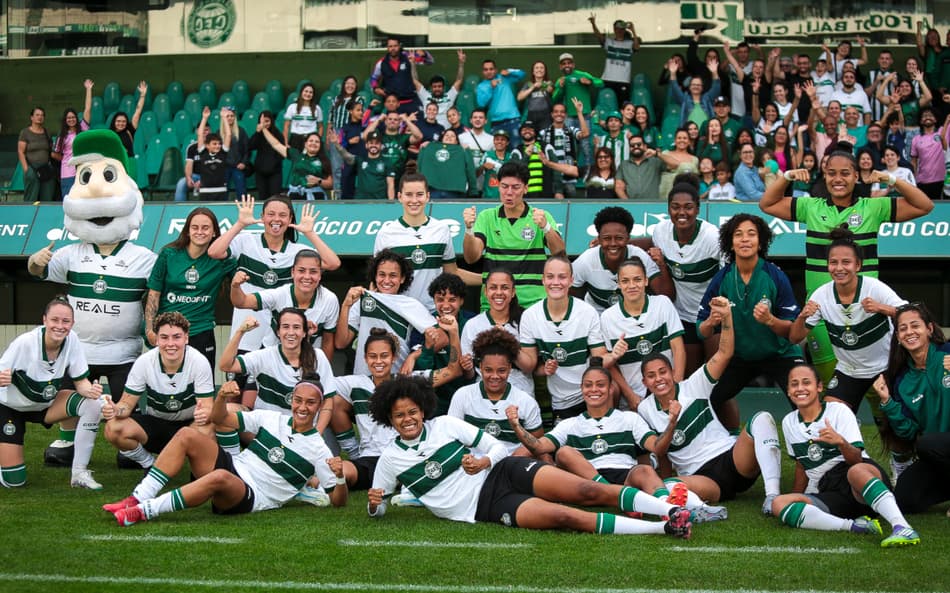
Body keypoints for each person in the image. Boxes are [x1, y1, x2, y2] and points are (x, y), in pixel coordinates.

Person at [367, 375, 692, 537]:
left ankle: (670, 509)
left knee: (589, 491)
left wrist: (484, 461)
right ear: (389, 419)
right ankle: (663, 528)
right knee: (565, 517)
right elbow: (379, 506)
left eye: (412, 411)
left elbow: (495, 447)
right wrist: (373, 504)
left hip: (504, 470)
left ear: (423, 410)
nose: (408, 419)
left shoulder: (446, 425)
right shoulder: (390, 459)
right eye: (399, 416)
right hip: (485, 506)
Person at [760, 150, 933, 416]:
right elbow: (767, 204)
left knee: (879, 386)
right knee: (834, 380)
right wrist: (788, 176)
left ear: (856, 176)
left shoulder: (873, 207)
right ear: (824, 176)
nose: (837, 179)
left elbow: (925, 206)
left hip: (867, 310)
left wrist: (892, 180)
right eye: (831, 173)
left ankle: (887, 427)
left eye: (844, 173)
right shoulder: (812, 207)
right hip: (822, 311)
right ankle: (843, 427)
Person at [26, 130, 156, 466]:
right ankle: (68, 441)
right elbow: (38, 270)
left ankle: (127, 444)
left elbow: (156, 295)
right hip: (79, 347)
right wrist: (34, 261)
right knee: (68, 394)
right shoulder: (71, 253)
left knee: (128, 399)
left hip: (123, 349)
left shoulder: (144, 257)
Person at [103, 377, 347, 526]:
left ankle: (143, 512)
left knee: (220, 477)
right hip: (234, 466)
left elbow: (338, 501)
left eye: (310, 403)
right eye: (298, 400)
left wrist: (340, 477)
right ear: (291, 400)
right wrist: (220, 397)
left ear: (319, 407)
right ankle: (137, 497)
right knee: (187, 435)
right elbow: (220, 418)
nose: (302, 407)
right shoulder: (271, 418)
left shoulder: (319, 449)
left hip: (252, 495)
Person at [507, 358, 727, 523]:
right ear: (582, 389)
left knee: (645, 471)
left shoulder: (629, 419)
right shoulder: (569, 424)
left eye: (600, 385)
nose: (595, 390)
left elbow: (657, 448)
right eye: (589, 385)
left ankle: (668, 509)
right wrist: (517, 426)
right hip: (589, 480)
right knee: (564, 452)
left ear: (610, 388)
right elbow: (538, 446)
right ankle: (617, 494)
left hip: (625, 475)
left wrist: (671, 423)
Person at [638, 295, 783, 512]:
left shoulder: (693, 385)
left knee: (762, 418)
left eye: (663, 372)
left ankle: (772, 496)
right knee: (665, 486)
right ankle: (704, 511)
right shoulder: (645, 409)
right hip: (701, 478)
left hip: (732, 460)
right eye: (651, 376)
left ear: (672, 373)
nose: (658, 379)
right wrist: (672, 422)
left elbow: (724, 353)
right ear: (644, 382)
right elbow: (661, 452)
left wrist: (726, 318)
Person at [771, 364, 920, 547]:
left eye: (806, 382)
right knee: (778, 504)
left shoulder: (838, 411)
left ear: (819, 387)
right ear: (788, 390)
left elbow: (856, 459)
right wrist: (797, 496)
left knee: (855, 471)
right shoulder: (788, 422)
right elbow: (801, 466)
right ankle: (854, 527)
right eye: (794, 384)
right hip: (829, 491)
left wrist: (841, 442)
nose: (800, 388)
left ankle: (902, 526)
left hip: (858, 480)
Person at [208, 196, 340, 393]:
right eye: (270, 214)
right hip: (247, 331)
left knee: (271, 391)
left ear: (290, 220)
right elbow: (214, 252)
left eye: (282, 215)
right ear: (262, 217)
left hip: (276, 337)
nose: (276, 219)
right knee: (235, 392)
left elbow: (332, 263)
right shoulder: (246, 241)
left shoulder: (299, 251)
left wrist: (310, 233)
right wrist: (240, 224)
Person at [696, 214, 804, 431]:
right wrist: (710, 321)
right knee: (706, 398)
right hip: (740, 357)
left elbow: (793, 332)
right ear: (730, 242)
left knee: (803, 399)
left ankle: (810, 449)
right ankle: (724, 444)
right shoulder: (722, 278)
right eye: (738, 235)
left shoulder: (774, 276)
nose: (745, 239)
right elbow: (702, 331)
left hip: (780, 354)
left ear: (761, 241)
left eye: (751, 234)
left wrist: (770, 320)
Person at [788, 228, 905, 417]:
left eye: (846, 262)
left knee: (896, 424)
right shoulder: (821, 295)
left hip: (886, 367)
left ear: (858, 265)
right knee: (831, 420)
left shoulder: (874, 288)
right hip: (849, 371)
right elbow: (794, 337)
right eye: (833, 263)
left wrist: (882, 308)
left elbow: (911, 314)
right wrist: (802, 317)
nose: (839, 268)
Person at [0, 297, 104, 489]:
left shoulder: (72, 339)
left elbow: (80, 382)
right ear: (45, 320)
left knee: (94, 404)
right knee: (14, 481)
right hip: (10, 408)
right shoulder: (25, 343)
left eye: (65, 321)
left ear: (72, 323)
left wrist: (92, 391)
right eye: (55, 320)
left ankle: (79, 473)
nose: (60, 326)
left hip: (46, 406)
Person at [102, 312, 215, 470]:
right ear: (156, 339)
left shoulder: (199, 361)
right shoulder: (144, 362)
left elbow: (208, 408)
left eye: (177, 337)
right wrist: (115, 410)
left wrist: (204, 413)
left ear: (186, 338)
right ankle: (149, 464)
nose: (170, 344)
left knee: (208, 428)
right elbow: (126, 405)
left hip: (188, 427)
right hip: (156, 425)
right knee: (113, 427)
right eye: (164, 337)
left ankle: (198, 471)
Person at [874, 302, 950, 514]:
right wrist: (887, 402)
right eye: (903, 328)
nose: (910, 332)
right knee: (905, 498)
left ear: (929, 329)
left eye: (915, 325)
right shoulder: (902, 380)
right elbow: (907, 431)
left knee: (928, 444)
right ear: (897, 337)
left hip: (936, 446)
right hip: (938, 451)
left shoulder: (948, 353)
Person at [518, 256, 613, 422]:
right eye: (550, 277)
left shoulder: (587, 312)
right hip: (561, 401)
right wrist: (545, 369)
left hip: (589, 392)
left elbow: (599, 358)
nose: (556, 282)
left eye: (562, 277)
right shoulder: (530, 316)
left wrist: (615, 355)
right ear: (543, 280)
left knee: (613, 390)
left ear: (571, 280)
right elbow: (531, 366)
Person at [463, 161, 565, 310]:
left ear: (525, 188)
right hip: (494, 304)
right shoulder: (487, 217)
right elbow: (471, 257)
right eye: (504, 186)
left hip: (533, 304)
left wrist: (545, 227)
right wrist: (468, 229)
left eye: (515, 187)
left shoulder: (541, 216)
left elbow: (560, 253)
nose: (509, 192)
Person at [145, 207, 236, 369]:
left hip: (201, 332)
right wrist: (150, 330)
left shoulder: (222, 260)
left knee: (201, 387)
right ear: (187, 231)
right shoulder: (169, 254)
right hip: (168, 332)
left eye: (205, 228)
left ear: (214, 232)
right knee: (165, 386)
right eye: (195, 227)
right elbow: (154, 294)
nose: (200, 232)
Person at [374, 173, 478, 310]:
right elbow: (377, 281)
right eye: (409, 194)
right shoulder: (386, 233)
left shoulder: (441, 229)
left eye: (419, 194)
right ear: (399, 197)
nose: (414, 200)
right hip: (399, 313)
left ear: (427, 196)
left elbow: (452, 273)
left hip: (433, 313)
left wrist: (488, 279)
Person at [219, 308, 337, 424]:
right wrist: (241, 331)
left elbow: (328, 401)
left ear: (304, 332)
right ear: (278, 332)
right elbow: (226, 365)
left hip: (302, 431)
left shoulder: (318, 357)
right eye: (285, 327)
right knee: (222, 411)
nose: (291, 332)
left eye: (296, 327)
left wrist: (317, 433)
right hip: (266, 428)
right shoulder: (265, 355)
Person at [336, 248, 436, 376]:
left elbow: (442, 338)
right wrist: (346, 305)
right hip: (363, 379)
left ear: (402, 278)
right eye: (382, 274)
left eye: (393, 275)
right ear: (375, 276)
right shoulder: (362, 301)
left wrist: (414, 356)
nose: (387, 280)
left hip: (397, 379)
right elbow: (340, 343)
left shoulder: (412, 305)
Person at [601, 259, 684, 410]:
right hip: (635, 398)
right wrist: (631, 396)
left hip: (668, 392)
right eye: (625, 281)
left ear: (646, 281)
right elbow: (610, 365)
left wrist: (676, 388)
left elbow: (678, 349)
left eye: (637, 279)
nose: (632, 285)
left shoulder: (663, 304)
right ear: (618, 284)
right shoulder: (608, 317)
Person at [229, 248, 339, 361]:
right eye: (301, 270)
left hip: (307, 362)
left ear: (320, 274)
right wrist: (235, 286)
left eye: (313, 272)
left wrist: (324, 372)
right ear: (292, 272)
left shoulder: (330, 300)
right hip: (272, 361)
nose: (307, 276)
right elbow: (241, 302)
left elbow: (328, 341)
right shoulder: (280, 294)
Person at [449, 327, 541, 455]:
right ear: (480, 367)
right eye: (488, 370)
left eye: (501, 370)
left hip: (513, 466)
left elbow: (539, 443)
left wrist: (517, 427)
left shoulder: (525, 401)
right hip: (473, 468)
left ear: (510, 368)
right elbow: (451, 436)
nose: (495, 376)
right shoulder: (463, 395)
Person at [331, 328, 399, 491]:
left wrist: (415, 354)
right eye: (372, 356)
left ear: (394, 358)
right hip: (369, 459)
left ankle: (407, 487)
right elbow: (322, 383)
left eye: (384, 356)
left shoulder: (407, 383)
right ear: (365, 358)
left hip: (400, 458)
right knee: (336, 475)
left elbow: (452, 371)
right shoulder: (357, 383)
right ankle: (354, 453)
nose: (378, 361)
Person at [570, 206, 665, 314]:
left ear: (628, 238)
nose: (613, 243)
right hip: (598, 321)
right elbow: (572, 300)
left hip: (633, 319)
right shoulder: (585, 261)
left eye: (619, 238)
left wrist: (662, 265)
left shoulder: (640, 257)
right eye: (607, 238)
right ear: (599, 239)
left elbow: (665, 296)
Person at [460, 269, 533, 397]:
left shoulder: (526, 320)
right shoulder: (472, 325)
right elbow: (470, 375)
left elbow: (529, 367)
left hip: (521, 394)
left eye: (504, 288)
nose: (498, 293)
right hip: (484, 397)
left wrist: (507, 341)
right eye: (493, 288)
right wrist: (467, 366)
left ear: (513, 292)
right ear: (486, 291)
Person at [260, 127, 332, 200]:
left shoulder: (324, 161)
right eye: (311, 141)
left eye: (317, 142)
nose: (313, 143)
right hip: (294, 196)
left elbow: (330, 184)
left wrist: (318, 181)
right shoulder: (296, 155)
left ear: (320, 145)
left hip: (315, 196)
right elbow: (276, 144)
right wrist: (263, 129)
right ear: (305, 144)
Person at [51, 79, 92, 197]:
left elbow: (87, 109)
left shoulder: (83, 128)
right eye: (68, 118)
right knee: (69, 199)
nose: (71, 119)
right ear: (65, 120)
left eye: (73, 117)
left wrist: (88, 89)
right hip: (67, 172)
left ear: (76, 118)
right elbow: (54, 154)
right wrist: (67, 159)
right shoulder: (62, 136)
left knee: (83, 199)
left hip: (83, 169)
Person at [329, 130, 396, 200]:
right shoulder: (360, 159)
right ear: (366, 145)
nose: (373, 145)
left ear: (381, 146)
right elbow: (347, 157)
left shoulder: (387, 161)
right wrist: (336, 144)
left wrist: (390, 203)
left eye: (376, 143)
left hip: (380, 201)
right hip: (361, 201)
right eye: (371, 143)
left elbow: (391, 184)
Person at [588, 15, 639, 102]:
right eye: (617, 28)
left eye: (622, 29)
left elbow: (637, 47)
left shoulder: (629, 43)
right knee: (606, 102)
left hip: (623, 80)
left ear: (624, 30)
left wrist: (633, 30)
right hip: (608, 79)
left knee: (622, 105)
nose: (619, 31)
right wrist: (593, 24)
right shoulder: (609, 42)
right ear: (614, 29)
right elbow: (599, 36)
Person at [411, 49, 465, 129]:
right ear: (431, 88)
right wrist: (412, 63)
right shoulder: (426, 96)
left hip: (446, 134)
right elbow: (415, 80)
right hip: (429, 132)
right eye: (435, 87)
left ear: (443, 87)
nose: (437, 89)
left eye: (439, 86)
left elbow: (459, 80)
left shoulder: (449, 96)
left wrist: (461, 63)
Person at [416, 133, 479, 199]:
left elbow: (470, 169)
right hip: (432, 190)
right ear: (441, 139)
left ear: (456, 141)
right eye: (446, 135)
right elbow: (420, 166)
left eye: (452, 136)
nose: (449, 137)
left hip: (454, 192)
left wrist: (473, 190)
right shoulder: (429, 147)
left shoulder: (462, 150)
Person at [370, 37, 425, 115]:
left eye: (395, 46)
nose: (393, 48)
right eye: (390, 46)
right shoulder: (381, 63)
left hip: (411, 100)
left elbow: (429, 60)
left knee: (418, 124)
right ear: (387, 48)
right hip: (393, 104)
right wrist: (375, 88)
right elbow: (373, 78)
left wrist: (424, 54)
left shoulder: (408, 57)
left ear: (399, 46)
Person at [539, 146, 618, 199]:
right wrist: (548, 163)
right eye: (599, 157)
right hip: (591, 208)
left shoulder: (617, 174)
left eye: (606, 157)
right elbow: (568, 169)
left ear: (611, 159)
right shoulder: (589, 170)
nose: (603, 159)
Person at [477, 59, 525, 144]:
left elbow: (522, 74)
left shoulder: (504, 78)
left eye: (491, 69)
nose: (489, 71)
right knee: (499, 151)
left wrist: (509, 71)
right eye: (486, 69)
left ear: (495, 70)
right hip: (496, 122)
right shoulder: (481, 86)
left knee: (517, 148)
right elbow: (481, 103)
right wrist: (491, 88)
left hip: (513, 119)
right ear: (483, 72)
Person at [17, 107, 55, 202]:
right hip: (32, 169)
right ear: (32, 117)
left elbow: (51, 150)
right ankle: (27, 216)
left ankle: (45, 217)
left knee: (47, 198)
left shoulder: (47, 132)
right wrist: (26, 169)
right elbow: (20, 151)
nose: (40, 117)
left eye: (42, 115)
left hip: (45, 169)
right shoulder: (25, 132)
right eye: (37, 115)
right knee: (31, 198)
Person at [247, 110, 285, 200]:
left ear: (271, 121)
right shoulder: (259, 134)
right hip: (260, 172)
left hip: (275, 172)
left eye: (267, 121)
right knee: (262, 197)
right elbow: (250, 146)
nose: (265, 124)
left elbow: (282, 153)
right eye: (262, 122)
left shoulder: (278, 134)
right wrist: (257, 132)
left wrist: (273, 163)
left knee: (275, 198)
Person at [615, 134, 664, 199]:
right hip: (631, 205)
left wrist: (657, 154)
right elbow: (618, 187)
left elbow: (676, 165)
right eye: (632, 145)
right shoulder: (623, 165)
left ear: (645, 146)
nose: (635, 147)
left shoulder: (655, 162)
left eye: (639, 144)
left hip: (653, 204)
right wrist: (628, 203)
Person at [108, 80, 147, 158]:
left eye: (124, 121)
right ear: (114, 122)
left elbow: (138, 111)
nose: (121, 123)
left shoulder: (129, 130)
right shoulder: (110, 134)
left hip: (129, 162)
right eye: (118, 121)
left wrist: (142, 95)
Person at [220, 106, 251, 199]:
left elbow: (247, 149)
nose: (230, 118)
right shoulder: (219, 133)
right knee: (222, 190)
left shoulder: (241, 132)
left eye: (232, 116)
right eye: (227, 116)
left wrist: (244, 163)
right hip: (224, 167)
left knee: (241, 189)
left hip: (238, 166)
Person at [283, 83, 322, 151]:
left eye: (310, 92)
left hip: (311, 140)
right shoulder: (292, 107)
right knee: (295, 160)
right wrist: (285, 142)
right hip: (295, 139)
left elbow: (320, 127)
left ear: (313, 95)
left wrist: (318, 141)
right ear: (301, 92)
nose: (308, 94)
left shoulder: (317, 108)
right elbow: (286, 126)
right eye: (306, 91)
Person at [517, 61, 555, 132]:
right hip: (531, 115)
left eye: (541, 68)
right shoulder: (528, 84)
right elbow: (519, 97)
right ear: (533, 72)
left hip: (546, 116)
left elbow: (551, 91)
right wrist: (533, 87)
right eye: (536, 68)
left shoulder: (549, 83)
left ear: (545, 71)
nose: (539, 70)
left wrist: (544, 85)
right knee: (531, 136)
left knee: (545, 137)